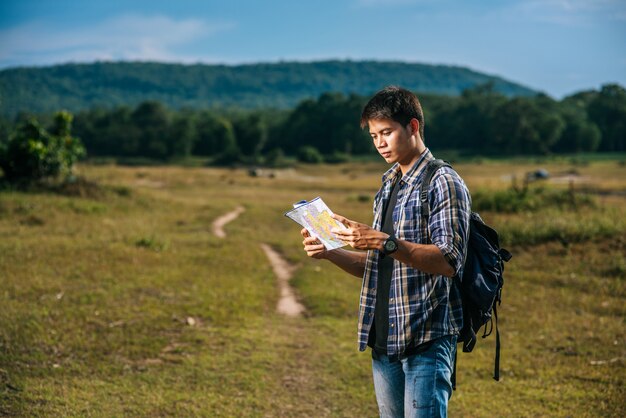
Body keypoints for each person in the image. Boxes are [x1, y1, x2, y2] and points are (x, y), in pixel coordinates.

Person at [300, 86, 471, 417]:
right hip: (383, 340)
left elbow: (450, 260)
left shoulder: (442, 182)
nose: (379, 142)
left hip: (426, 339)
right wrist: (330, 251)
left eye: (387, 132)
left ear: (413, 127)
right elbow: (379, 265)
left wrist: (382, 241)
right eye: (374, 135)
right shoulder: (389, 185)